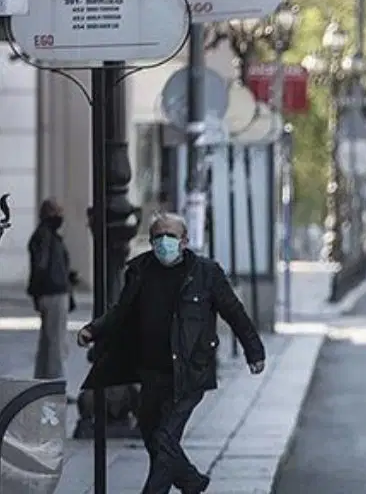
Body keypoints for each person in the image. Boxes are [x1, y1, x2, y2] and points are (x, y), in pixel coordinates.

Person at [76, 212, 266, 494]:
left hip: (190, 372)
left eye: (171, 236)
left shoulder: (206, 273)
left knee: (165, 439)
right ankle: (191, 481)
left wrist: (254, 350)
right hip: (151, 371)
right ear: (151, 241)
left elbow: (233, 312)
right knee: (152, 436)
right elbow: (121, 311)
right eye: (158, 236)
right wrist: (93, 329)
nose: (164, 241)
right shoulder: (139, 271)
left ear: (185, 241)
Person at [27, 198, 78, 380]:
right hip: (54, 293)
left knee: (48, 341)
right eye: (57, 212)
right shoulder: (46, 236)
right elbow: (42, 266)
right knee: (56, 342)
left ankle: (42, 379)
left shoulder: (44, 235)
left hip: (50, 292)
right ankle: (56, 383)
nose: (60, 217)